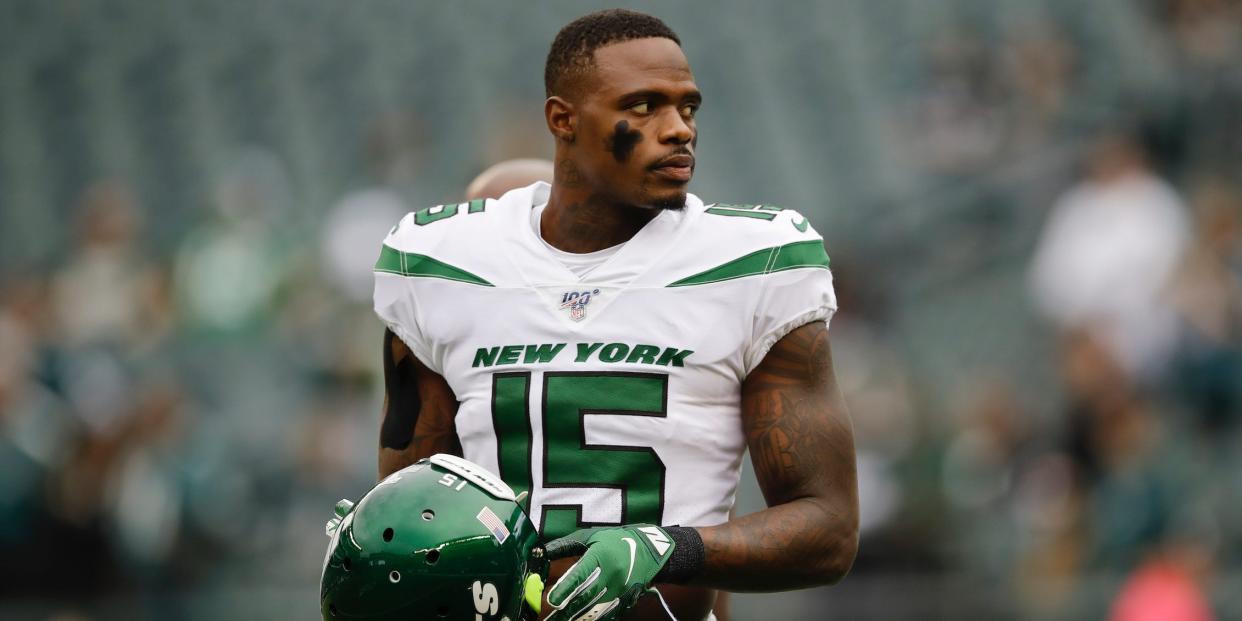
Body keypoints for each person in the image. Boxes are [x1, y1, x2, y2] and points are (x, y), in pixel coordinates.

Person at [373, 9, 858, 621]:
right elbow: (414, 502)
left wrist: (666, 548)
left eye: (688, 108)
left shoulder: (754, 264)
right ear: (563, 119)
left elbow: (828, 530)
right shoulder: (444, 263)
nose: (678, 129)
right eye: (645, 105)